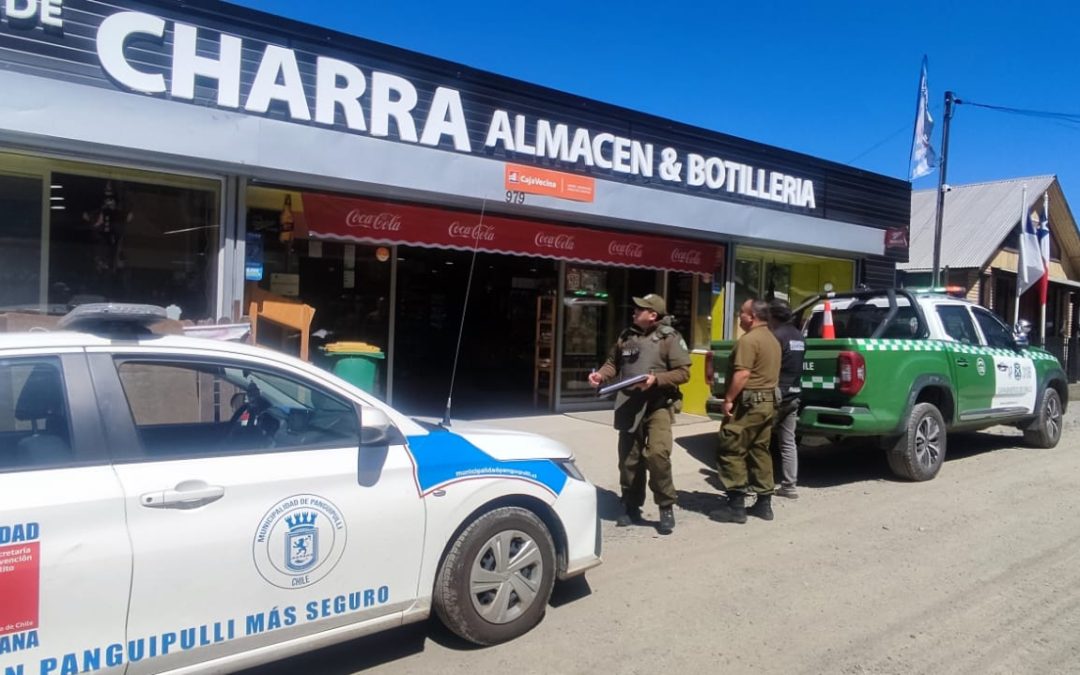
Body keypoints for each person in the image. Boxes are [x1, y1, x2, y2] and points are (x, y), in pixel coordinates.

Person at [589, 294, 691, 535]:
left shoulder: (669, 337)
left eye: (640, 309)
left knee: (657, 454)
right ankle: (631, 504)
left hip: (658, 405)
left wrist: (657, 380)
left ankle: (665, 505)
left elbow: (683, 373)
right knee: (629, 458)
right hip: (629, 404)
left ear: (653, 315)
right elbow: (612, 363)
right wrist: (600, 376)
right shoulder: (626, 336)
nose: (634, 311)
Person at [710, 298, 781, 524]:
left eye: (742, 312)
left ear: (752, 317)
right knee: (759, 449)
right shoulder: (772, 339)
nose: (739, 316)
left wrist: (729, 399)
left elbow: (742, 374)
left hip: (749, 403)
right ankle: (764, 504)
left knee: (730, 447)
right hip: (767, 403)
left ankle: (736, 507)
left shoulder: (749, 340)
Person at [768, 299, 805, 499]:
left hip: (776, 395)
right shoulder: (799, 336)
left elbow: (769, 365)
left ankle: (757, 485)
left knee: (759, 440)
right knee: (788, 442)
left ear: (772, 316)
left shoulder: (776, 336)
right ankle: (789, 486)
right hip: (794, 394)